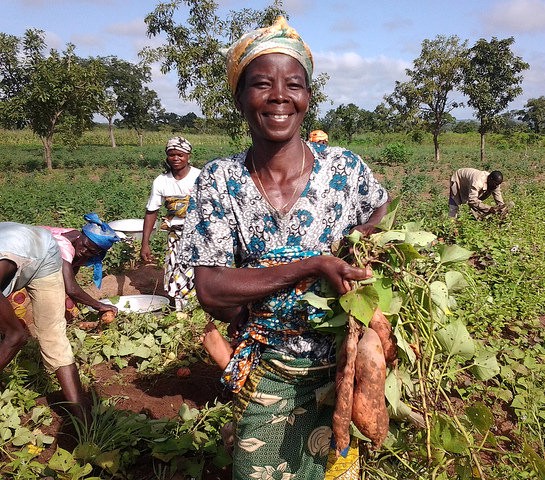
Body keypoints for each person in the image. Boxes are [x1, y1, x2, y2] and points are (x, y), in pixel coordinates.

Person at [179, 16, 389, 480]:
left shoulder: (344, 170)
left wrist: (362, 245)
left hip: (344, 371)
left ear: (308, 97)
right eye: (261, 84)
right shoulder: (221, 181)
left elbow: (380, 208)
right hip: (270, 372)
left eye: (294, 84)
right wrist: (309, 265)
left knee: (336, 470)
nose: (279, 96)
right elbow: (212, 291)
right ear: (240, 99)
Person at [1, 222, 88, 419]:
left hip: (42, 252)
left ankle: (83, 417)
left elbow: (16, 336)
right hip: (15, 243)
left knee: (52, 335)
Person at [8, 213, 122, 325]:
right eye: (85, 245)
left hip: (41, 268)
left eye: (91, 251)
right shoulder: (63, 245)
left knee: (67, 304)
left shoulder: (80, 244)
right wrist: (98, 305)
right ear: (82, 236)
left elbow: (70, 278)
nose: (84, 251)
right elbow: (71, 289)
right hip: (17, 262)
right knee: (19, 304)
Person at [141, 136, 201, 311]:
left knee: (199, 271)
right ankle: (181, 310)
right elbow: (151, 211)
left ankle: (201, 308)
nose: (176, 158)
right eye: (172, 155)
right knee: (176, 271)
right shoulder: (161, 181)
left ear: (188, 155)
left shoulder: (199, 176)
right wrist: (145, 243)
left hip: (199, 234)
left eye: (180, 155)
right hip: (175, 235)